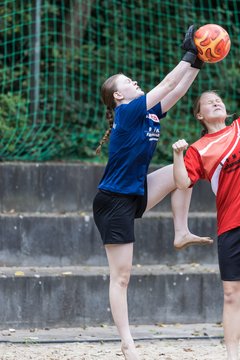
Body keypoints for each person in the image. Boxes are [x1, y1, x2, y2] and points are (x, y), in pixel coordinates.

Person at [93, 26, 213, 360]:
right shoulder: (127, 112)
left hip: (136, 190)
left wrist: (198, 61)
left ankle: (181, 231)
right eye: (127, 81)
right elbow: (166, 84)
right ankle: (127, 343)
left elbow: (176, 92)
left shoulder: (147, 112)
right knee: (122, 277)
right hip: (113, 200)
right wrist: (189, 53)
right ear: (118, 96)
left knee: (186, 169)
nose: (133, 82)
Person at [172, 90, 240, 360]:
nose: (216, 101)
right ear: (199, 114)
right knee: (231, 294)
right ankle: (233, 355)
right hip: (230, 225)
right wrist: (178, 154)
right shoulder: (198, 150)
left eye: (219, 99)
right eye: (208, 101)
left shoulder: (238, 127)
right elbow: (181, 183)